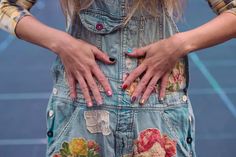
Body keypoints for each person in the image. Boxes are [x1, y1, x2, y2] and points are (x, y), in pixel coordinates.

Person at [0, 0, 235, 156]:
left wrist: (178, 45)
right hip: (82, 113)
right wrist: (61, 43)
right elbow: (5, 6)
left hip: (158, 115)